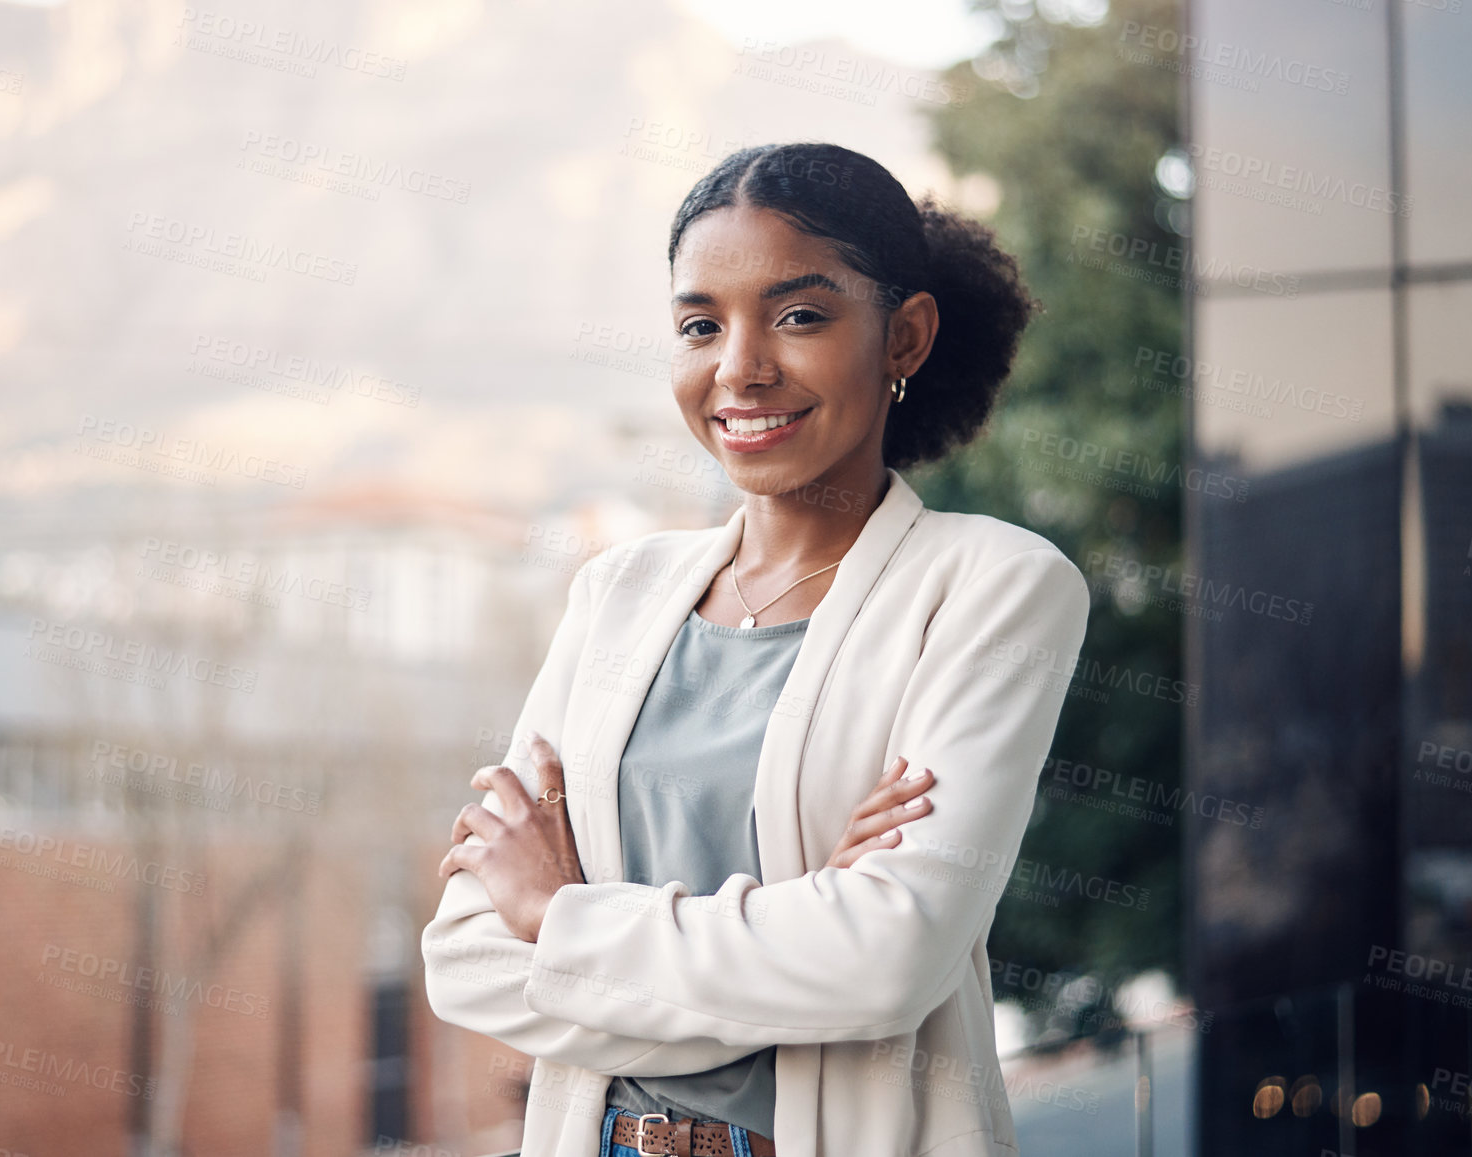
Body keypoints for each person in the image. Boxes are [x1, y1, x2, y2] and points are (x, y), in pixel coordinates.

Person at [422, 141, 1090, 1157]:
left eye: (800, 315)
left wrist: (559, 913)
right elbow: (465, 957)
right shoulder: (617, 593)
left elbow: (887, 962)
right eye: (702, 324)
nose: (741, 367)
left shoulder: (992, 586)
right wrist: (804, 921)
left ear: (904, 335)